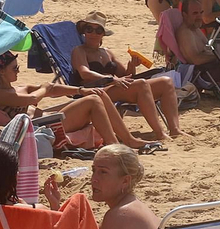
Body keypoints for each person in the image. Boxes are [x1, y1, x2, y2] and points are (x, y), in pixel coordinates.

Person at [0, 51, 152, 151]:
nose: (18, 71)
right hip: (40, 127)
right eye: (14, 68)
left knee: (98, 95)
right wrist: (45, 89)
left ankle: (128, 139)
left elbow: (52, 89)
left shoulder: (16, 87)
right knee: (94, 102)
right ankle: (114, 147)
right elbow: (34, 98)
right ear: (1, 71)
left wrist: (81, 90)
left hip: (47, 118)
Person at [71, 12, 182, 140]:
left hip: (115, 87)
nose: (93, 34)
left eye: (98, 30)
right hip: (97, 90)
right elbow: (84, 73)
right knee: (141, 84)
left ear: (103, 34)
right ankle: (160, 133)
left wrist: (132, 65)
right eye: (89, 29)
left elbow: (126, 75)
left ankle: (174, 129)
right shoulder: (79, 51)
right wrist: (112, 79)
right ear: (84, 31)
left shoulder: (106, 52)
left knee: (166, 82)